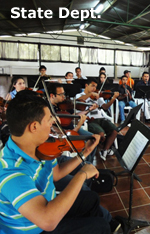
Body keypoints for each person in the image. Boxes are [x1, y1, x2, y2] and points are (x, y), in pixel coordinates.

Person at [0, 91, 113, 234]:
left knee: (91, 199)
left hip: (49, 204)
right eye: (49, 119)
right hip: (38, 228)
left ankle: (111, 225)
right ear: (34, 127)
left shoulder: (39, 147)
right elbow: (48, 221)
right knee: (100, 226)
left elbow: (56, 173)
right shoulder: (10, 171)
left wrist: (84, 153)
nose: (53, 122)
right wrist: (82, 174)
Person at [75, 78, 119, 161]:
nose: (94, 89)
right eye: (92, 86)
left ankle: (105, 151)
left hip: (101, 118)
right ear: (86, 85)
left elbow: (105, 107)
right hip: (90, 120)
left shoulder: (98, 96)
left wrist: (113, 98)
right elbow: (77, 101)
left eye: (95, 87)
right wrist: (90, 94)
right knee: (101, 133)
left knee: (114, 130)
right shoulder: (79, 95)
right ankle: (102, 146)